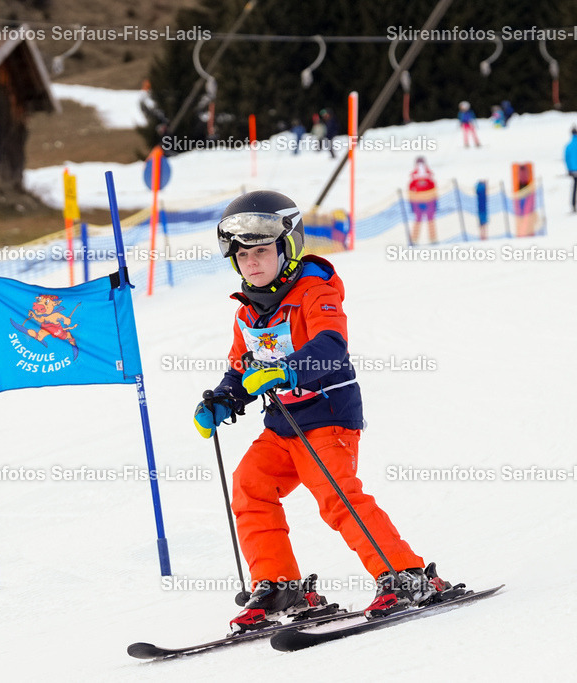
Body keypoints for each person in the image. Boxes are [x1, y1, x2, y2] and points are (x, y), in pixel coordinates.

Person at [193, 190, 456, 635]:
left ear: (287, 248)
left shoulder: (315, 290)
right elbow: (242, 366)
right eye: (243, 256)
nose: (252, 263)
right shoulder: (248, 311)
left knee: (335, 495)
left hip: (328, 415)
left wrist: (282, 371)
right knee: (250, 485)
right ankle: (278, 586)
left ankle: (406, 575)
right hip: (284, 426)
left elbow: (331, 348)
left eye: (261, 252)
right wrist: (223, 397)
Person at [408, 157, 438, 245]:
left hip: (426, 201)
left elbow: (433, 188)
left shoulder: (426, 176)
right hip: (421, 202)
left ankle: (432, 239)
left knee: (429, 220)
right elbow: (411, 189)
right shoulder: (417, 176)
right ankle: (414, 239)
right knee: (420, 220)